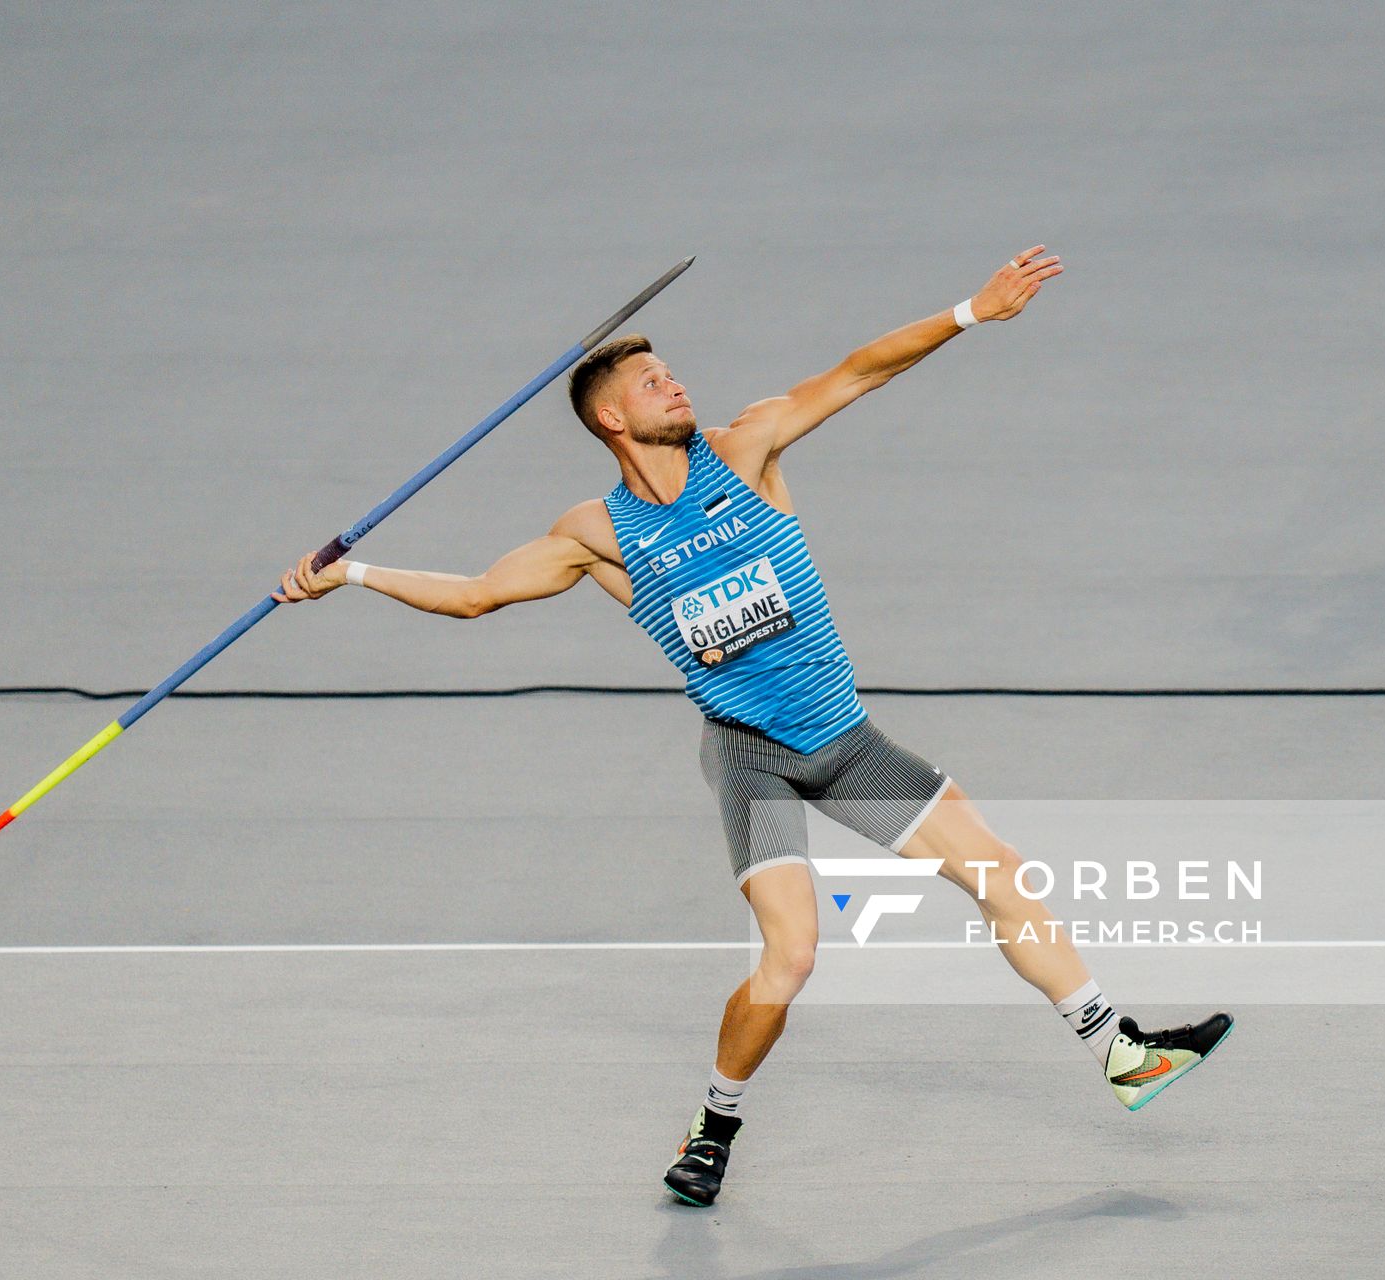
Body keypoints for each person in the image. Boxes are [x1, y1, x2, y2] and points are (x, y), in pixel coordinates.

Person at [274, 247, 1232, 1207]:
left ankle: (1117, 1049)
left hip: (846, 742)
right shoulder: (595, 533)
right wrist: (351, 573)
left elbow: (860, 370)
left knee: (1000, 874)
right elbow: (478, 595)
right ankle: (714, 1125)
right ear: (613, 418)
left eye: (672, 372)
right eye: (653, 382)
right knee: (794, 953)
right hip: (751, 762)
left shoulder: (747, 449)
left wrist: (973, 312)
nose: (674, 383)